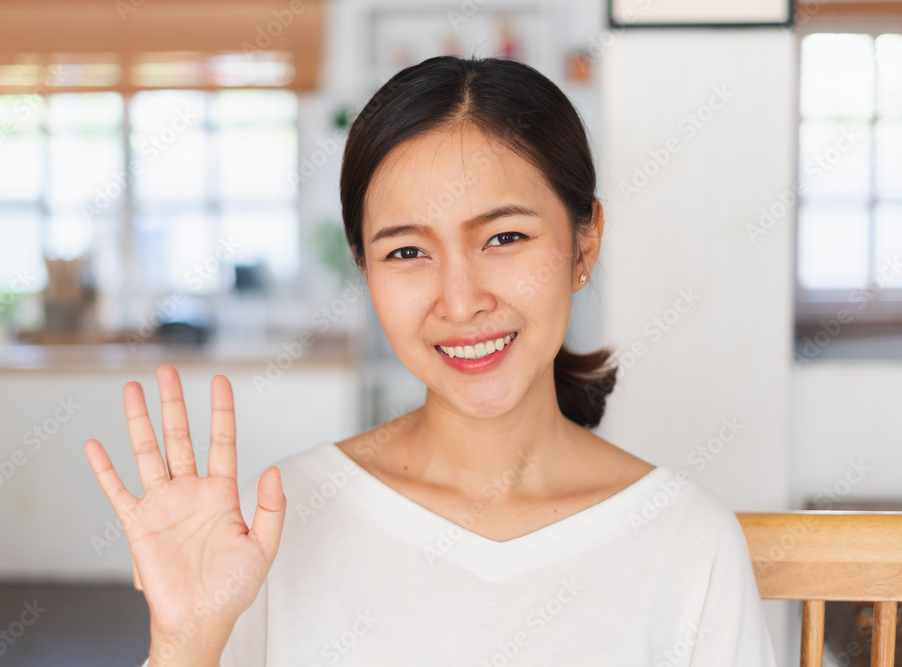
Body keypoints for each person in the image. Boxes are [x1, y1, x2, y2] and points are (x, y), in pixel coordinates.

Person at [85, 55, 777, 666]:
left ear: (584, 243)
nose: (460, 299)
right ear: (366, 271)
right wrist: (186, 643)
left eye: (504, 236)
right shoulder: (278, 523)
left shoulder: (688, 543)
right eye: (407, 251)